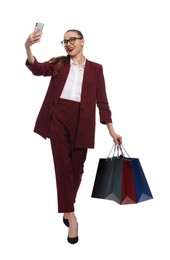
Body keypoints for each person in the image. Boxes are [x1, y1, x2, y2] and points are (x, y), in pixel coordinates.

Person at [25, 28, 122, 244]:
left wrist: (111, 130)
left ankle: (67, 207)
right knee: (62, 168)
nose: (68, 44)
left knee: (77, 170)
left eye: (72, 40)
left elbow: (102, 102)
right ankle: (72, 216)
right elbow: (38, 68)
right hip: (58, 117)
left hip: (83, 123)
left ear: (82, 42)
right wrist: (28, 47)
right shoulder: (59, 64)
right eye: (65, 41)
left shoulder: (96, 69)